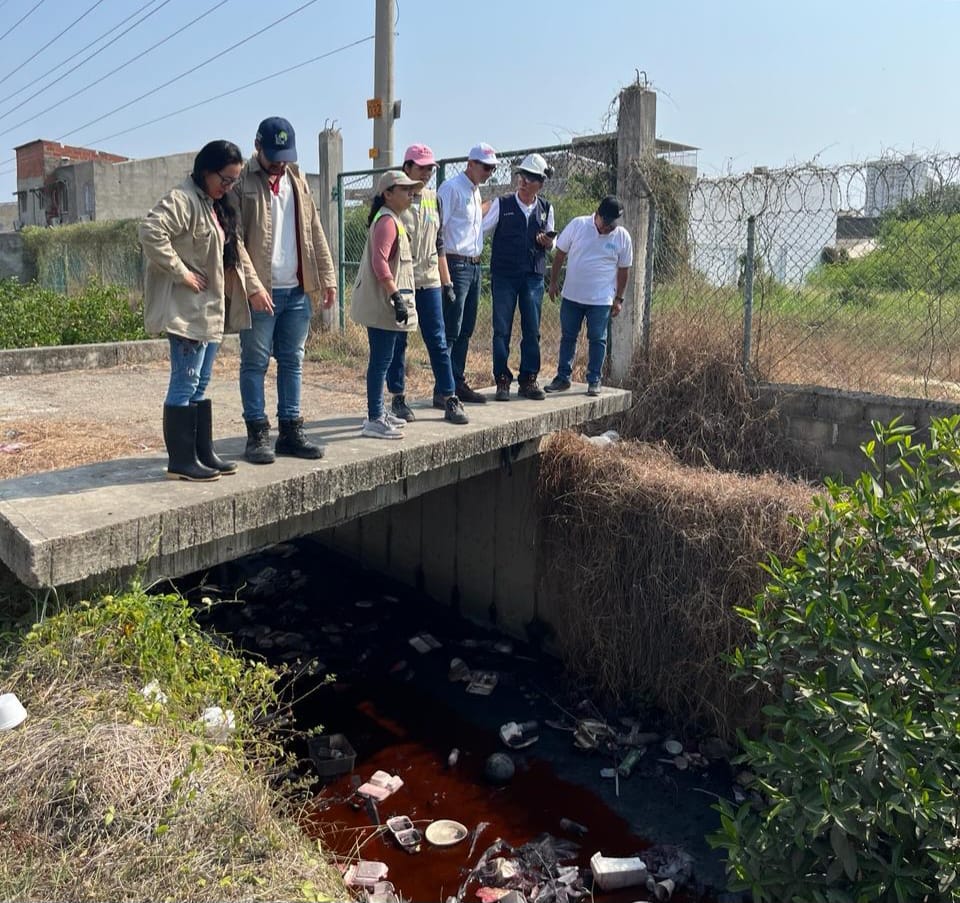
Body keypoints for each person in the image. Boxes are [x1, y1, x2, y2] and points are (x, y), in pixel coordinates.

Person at [140, 139, 264, 482]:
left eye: (234, 181)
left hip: (210, 311)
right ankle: (181, 461)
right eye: (225, 179)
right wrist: (181, 272)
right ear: (205, 171)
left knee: (201, 383)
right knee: (185, 382)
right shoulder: (182, 199)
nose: (229, 187)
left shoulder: (214, 204)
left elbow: (236, 253)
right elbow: (150, 231)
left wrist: (253, 288)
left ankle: (201, 452)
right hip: (187, 311)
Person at [233, 116, 337, 465]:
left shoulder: (297, 179)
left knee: (293, 361)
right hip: (261, 291)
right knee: (255, 362)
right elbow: (234, 241)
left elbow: (314, 228)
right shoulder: (241, 182)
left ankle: (290, 431)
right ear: (257, 146)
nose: (279, 164)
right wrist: (252, 286)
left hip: (296, 290)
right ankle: (257, 434)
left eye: (285, 156)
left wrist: (327, 276)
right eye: (274, 155)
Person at [382, 143, 468, 426]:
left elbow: (439, 243)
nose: (428, 172)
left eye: (431, 167)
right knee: (398, 340)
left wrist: (447, 282)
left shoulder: (434, 198)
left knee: (438, 340)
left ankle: (449, 396)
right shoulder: (394, 198)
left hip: (430, 279)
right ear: (407, 168)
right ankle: (398, 397)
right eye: (422, 167)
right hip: (403, 279)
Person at [350, 170, 422, 439]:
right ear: (387, 194)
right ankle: (374, 418)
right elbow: (379, 262)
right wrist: (396, 297)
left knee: (385, 358)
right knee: (380, 361)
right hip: (383, 303)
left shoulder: (393, 219)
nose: (410, 193)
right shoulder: (387, 222)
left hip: (386, 303)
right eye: (404, 189)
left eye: (411, 189)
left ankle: (379, 410)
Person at [482, 152, 556, 401]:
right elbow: (483, 231)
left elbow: (552, 245)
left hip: (533, 276)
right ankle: (502, 381)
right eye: (522, 176)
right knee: (501, 329)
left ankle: (528, 380)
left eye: (530, 178)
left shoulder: (546, 208)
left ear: (540, 183)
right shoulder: (502, 204)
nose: (523, 181)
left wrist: (547, 242)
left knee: (532, 330)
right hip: (504, 275)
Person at [544, 196, 633, 397]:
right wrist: (553, 282)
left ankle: (594, 379)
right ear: (597, 214)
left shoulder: (622, 237)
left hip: (601, 301)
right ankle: (562, 377)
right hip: (572, 297)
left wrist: (618, 299)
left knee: (597, 339)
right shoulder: (578, 225)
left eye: (613, 223)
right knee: (568, 337)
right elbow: (560, 254)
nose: (608, 227)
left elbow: (624, 270)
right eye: (605, 222)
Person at [435, 142, 498, 404]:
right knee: (451, 328)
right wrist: (444, 274)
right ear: (470, 163)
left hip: (473, 264)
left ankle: (456, 381)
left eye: (492, 169)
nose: (488, 172)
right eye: (485, 167)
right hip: (456, 262)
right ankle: (443, 388)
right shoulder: (451, 189)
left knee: (466, 328)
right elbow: (439, 230)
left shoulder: (474, 191)